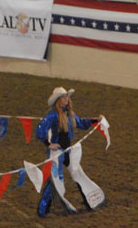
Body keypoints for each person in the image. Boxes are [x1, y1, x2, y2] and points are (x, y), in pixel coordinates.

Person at [36, 87, 105, 217]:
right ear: (58, 100)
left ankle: (89, 200)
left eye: (66, 96)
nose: (66, 98)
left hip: (67, 150)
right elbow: (40, 129)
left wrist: (96, 120)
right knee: (55, 180)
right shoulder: (52, 114)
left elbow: (81, 122)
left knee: (77, 173)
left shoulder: (69, 113)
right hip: (57, 153)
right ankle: (42, 210)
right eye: (63, 97)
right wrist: (48, 144)